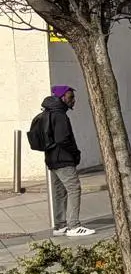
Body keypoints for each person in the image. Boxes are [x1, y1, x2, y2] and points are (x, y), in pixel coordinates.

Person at [38, 86, 94, 237]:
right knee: (74, 188)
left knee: (59, 191)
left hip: (51, 159)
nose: (73, 100)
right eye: (70, 97)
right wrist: (75, 153)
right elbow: (62, 139)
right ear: (62, 97)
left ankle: (60, 226)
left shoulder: (47, 113)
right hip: (63, 159)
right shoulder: (60, 115)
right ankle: (74, 225)